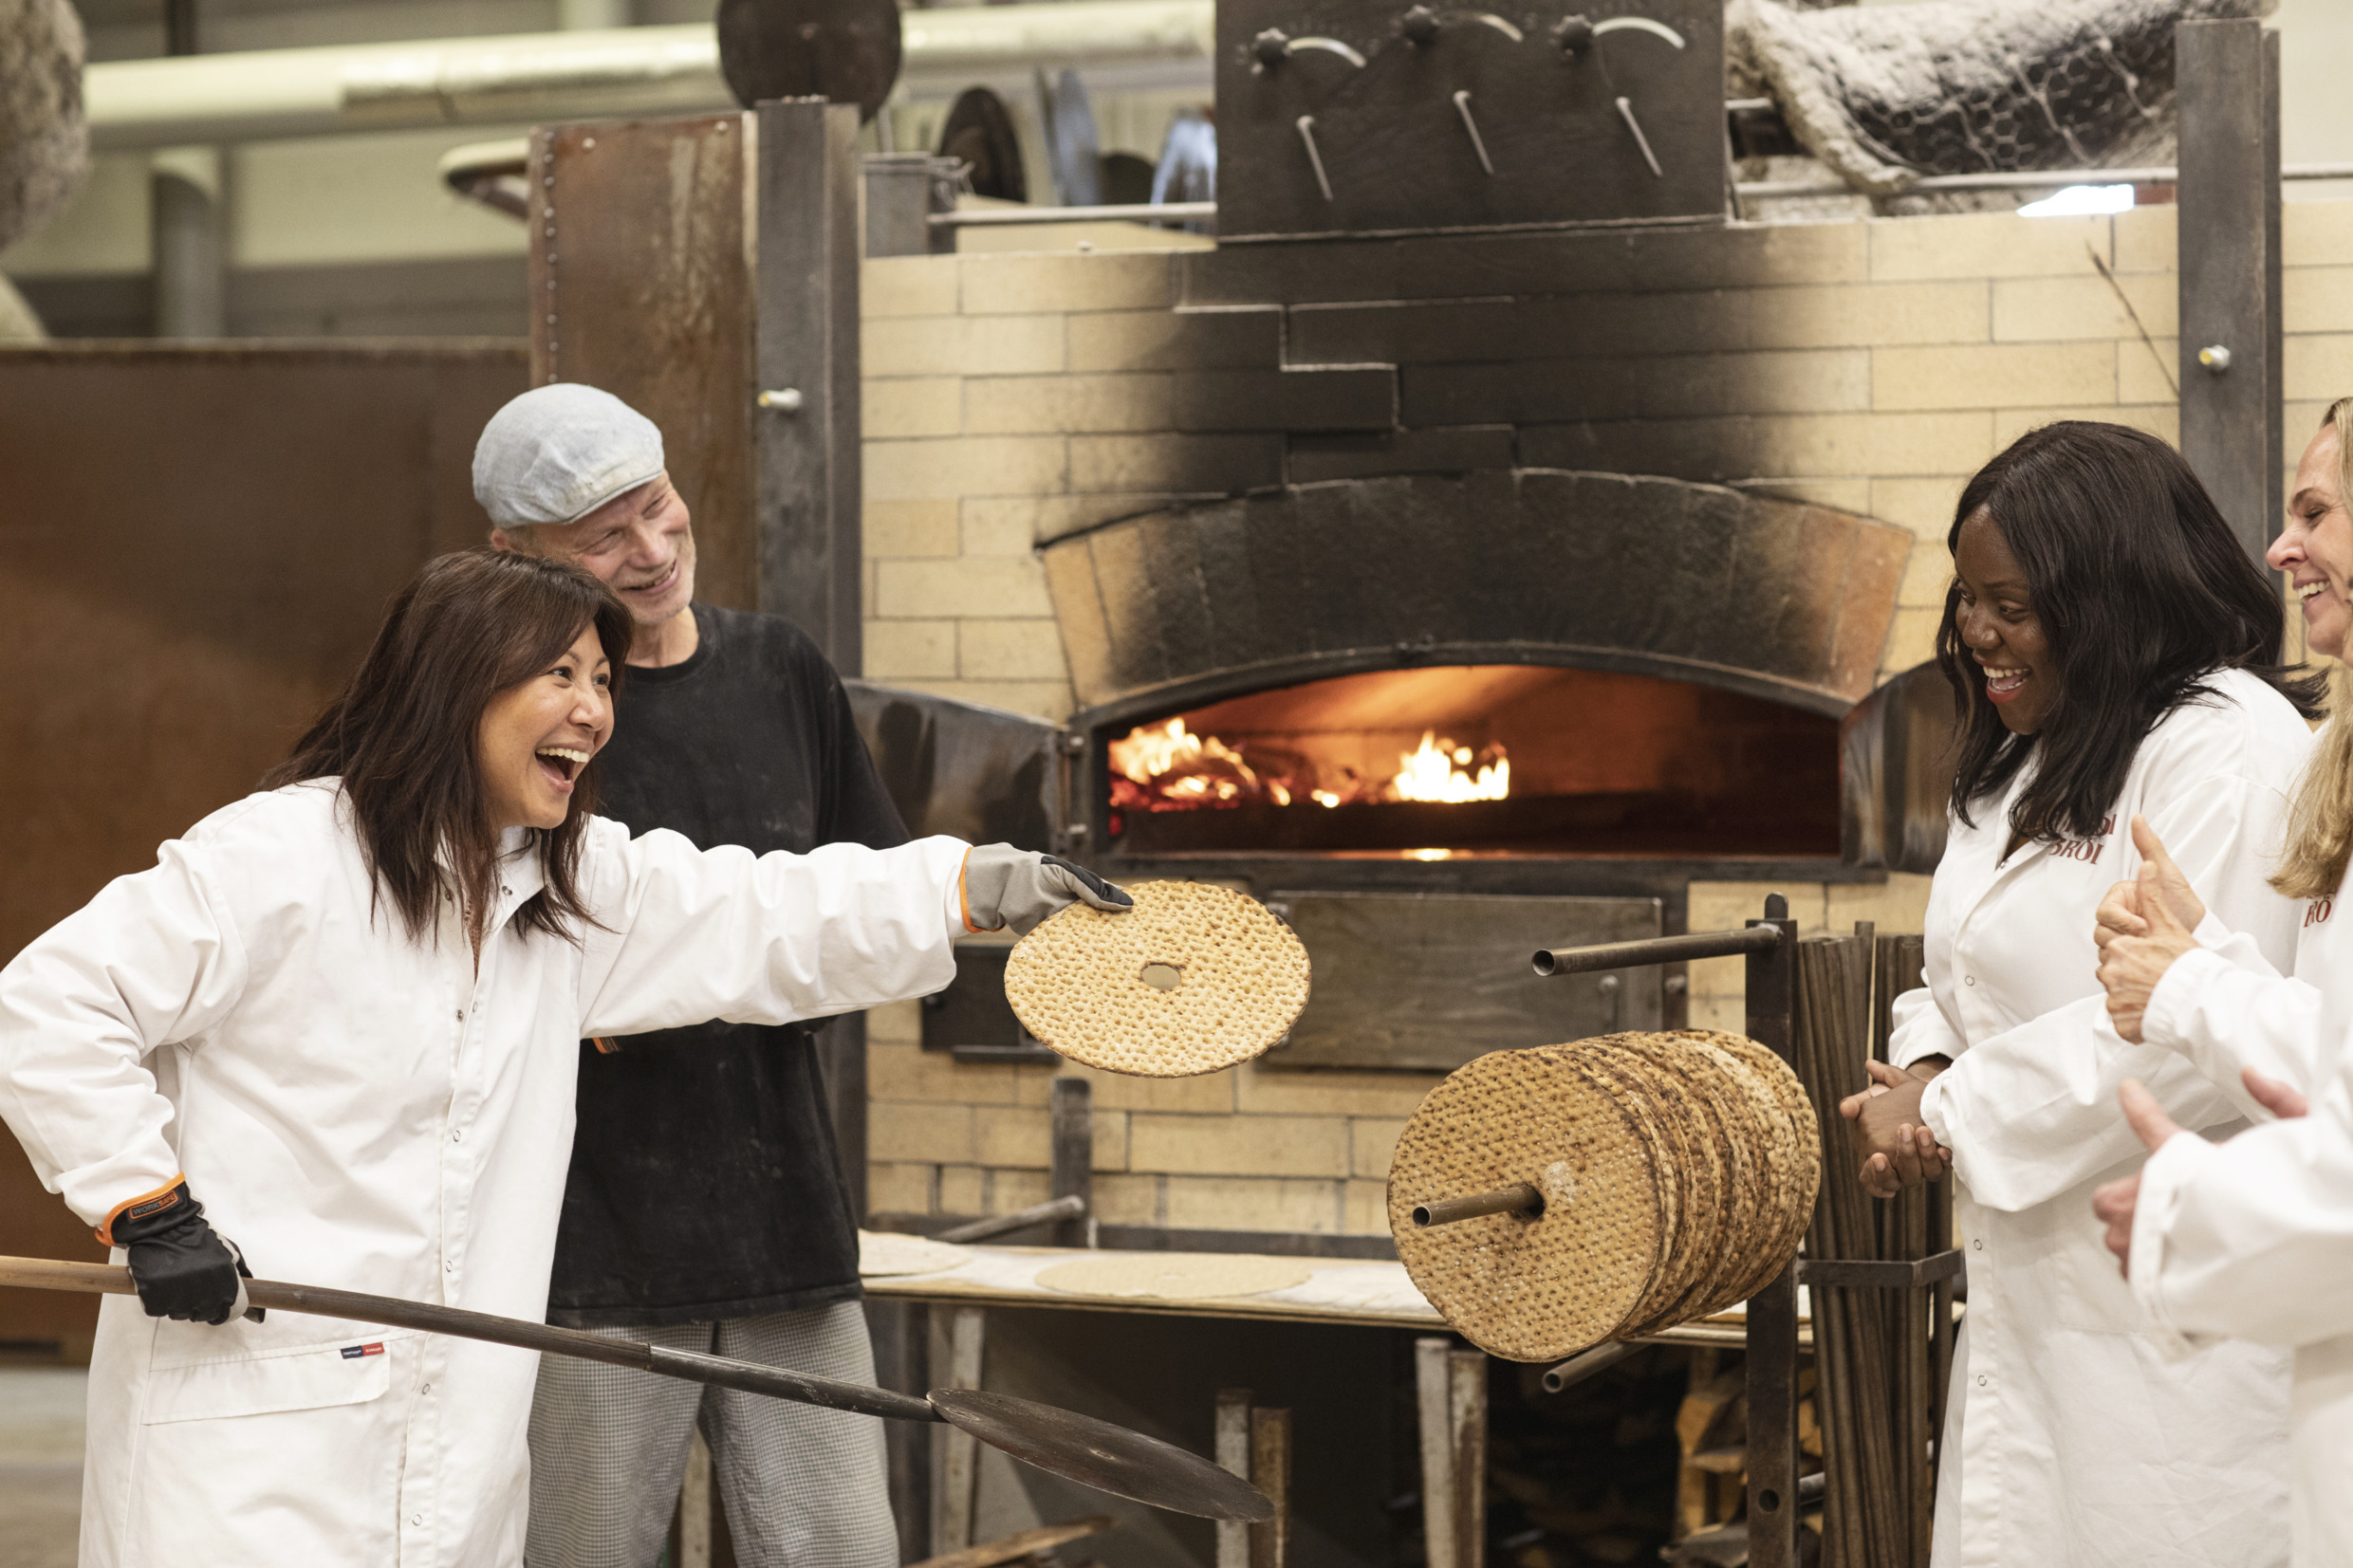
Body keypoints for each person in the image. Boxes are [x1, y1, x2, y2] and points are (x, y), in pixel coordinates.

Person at [0, 548, 1126, 1567]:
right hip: (254, 1429)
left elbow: (763, 911)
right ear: (455, 685)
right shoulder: (280, 858)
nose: (592, 712)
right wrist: (148, 1210)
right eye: (561, 675)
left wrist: (969, 887)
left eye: (603, 682)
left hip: (455, 1446)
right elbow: (50, 1002)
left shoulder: (566, 883)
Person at [1834, 420, 2323, 1566]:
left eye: (2011, 603)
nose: (1976, 633)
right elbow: (1955, 972)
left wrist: (1943, 1116)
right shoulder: (2027, 746)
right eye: (1965, 599)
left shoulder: (2225, 746)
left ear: (2109, 594)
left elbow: (2173, 1033)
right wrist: (1924, 1067)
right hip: (2031, 1319)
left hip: (2176, 1342)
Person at [473, 383, 925, 1567]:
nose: (653, 550)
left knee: (841, 1547)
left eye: (659, 507)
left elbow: (869, 902)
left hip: (782, 1210)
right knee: (583, 1548)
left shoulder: (779, 668)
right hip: (590, 1236)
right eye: (605, 538)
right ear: (514, 556)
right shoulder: (510, 718)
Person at [2084, 400, 2353, 1566]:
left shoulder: (2235, 737)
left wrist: (2190, 993)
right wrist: (2209, 959)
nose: (2280, 550)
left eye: (2314, 513)